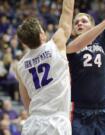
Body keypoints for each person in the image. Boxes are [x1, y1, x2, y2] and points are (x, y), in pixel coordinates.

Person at [14, 0, 74, 134]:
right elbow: (68, 11)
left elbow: (26, 101)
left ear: (25, 43)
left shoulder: (20, 66)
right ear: (42, 35)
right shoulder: (56, 45)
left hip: (33, 124)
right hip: (57, 123)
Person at [67, 0, 105, 135]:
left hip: (102, 110)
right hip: (79, 111)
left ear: (93, 26)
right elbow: (71, 48)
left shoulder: (104, 41)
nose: (79, 23)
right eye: (76, 23)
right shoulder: (70, 44)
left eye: (83, 21)